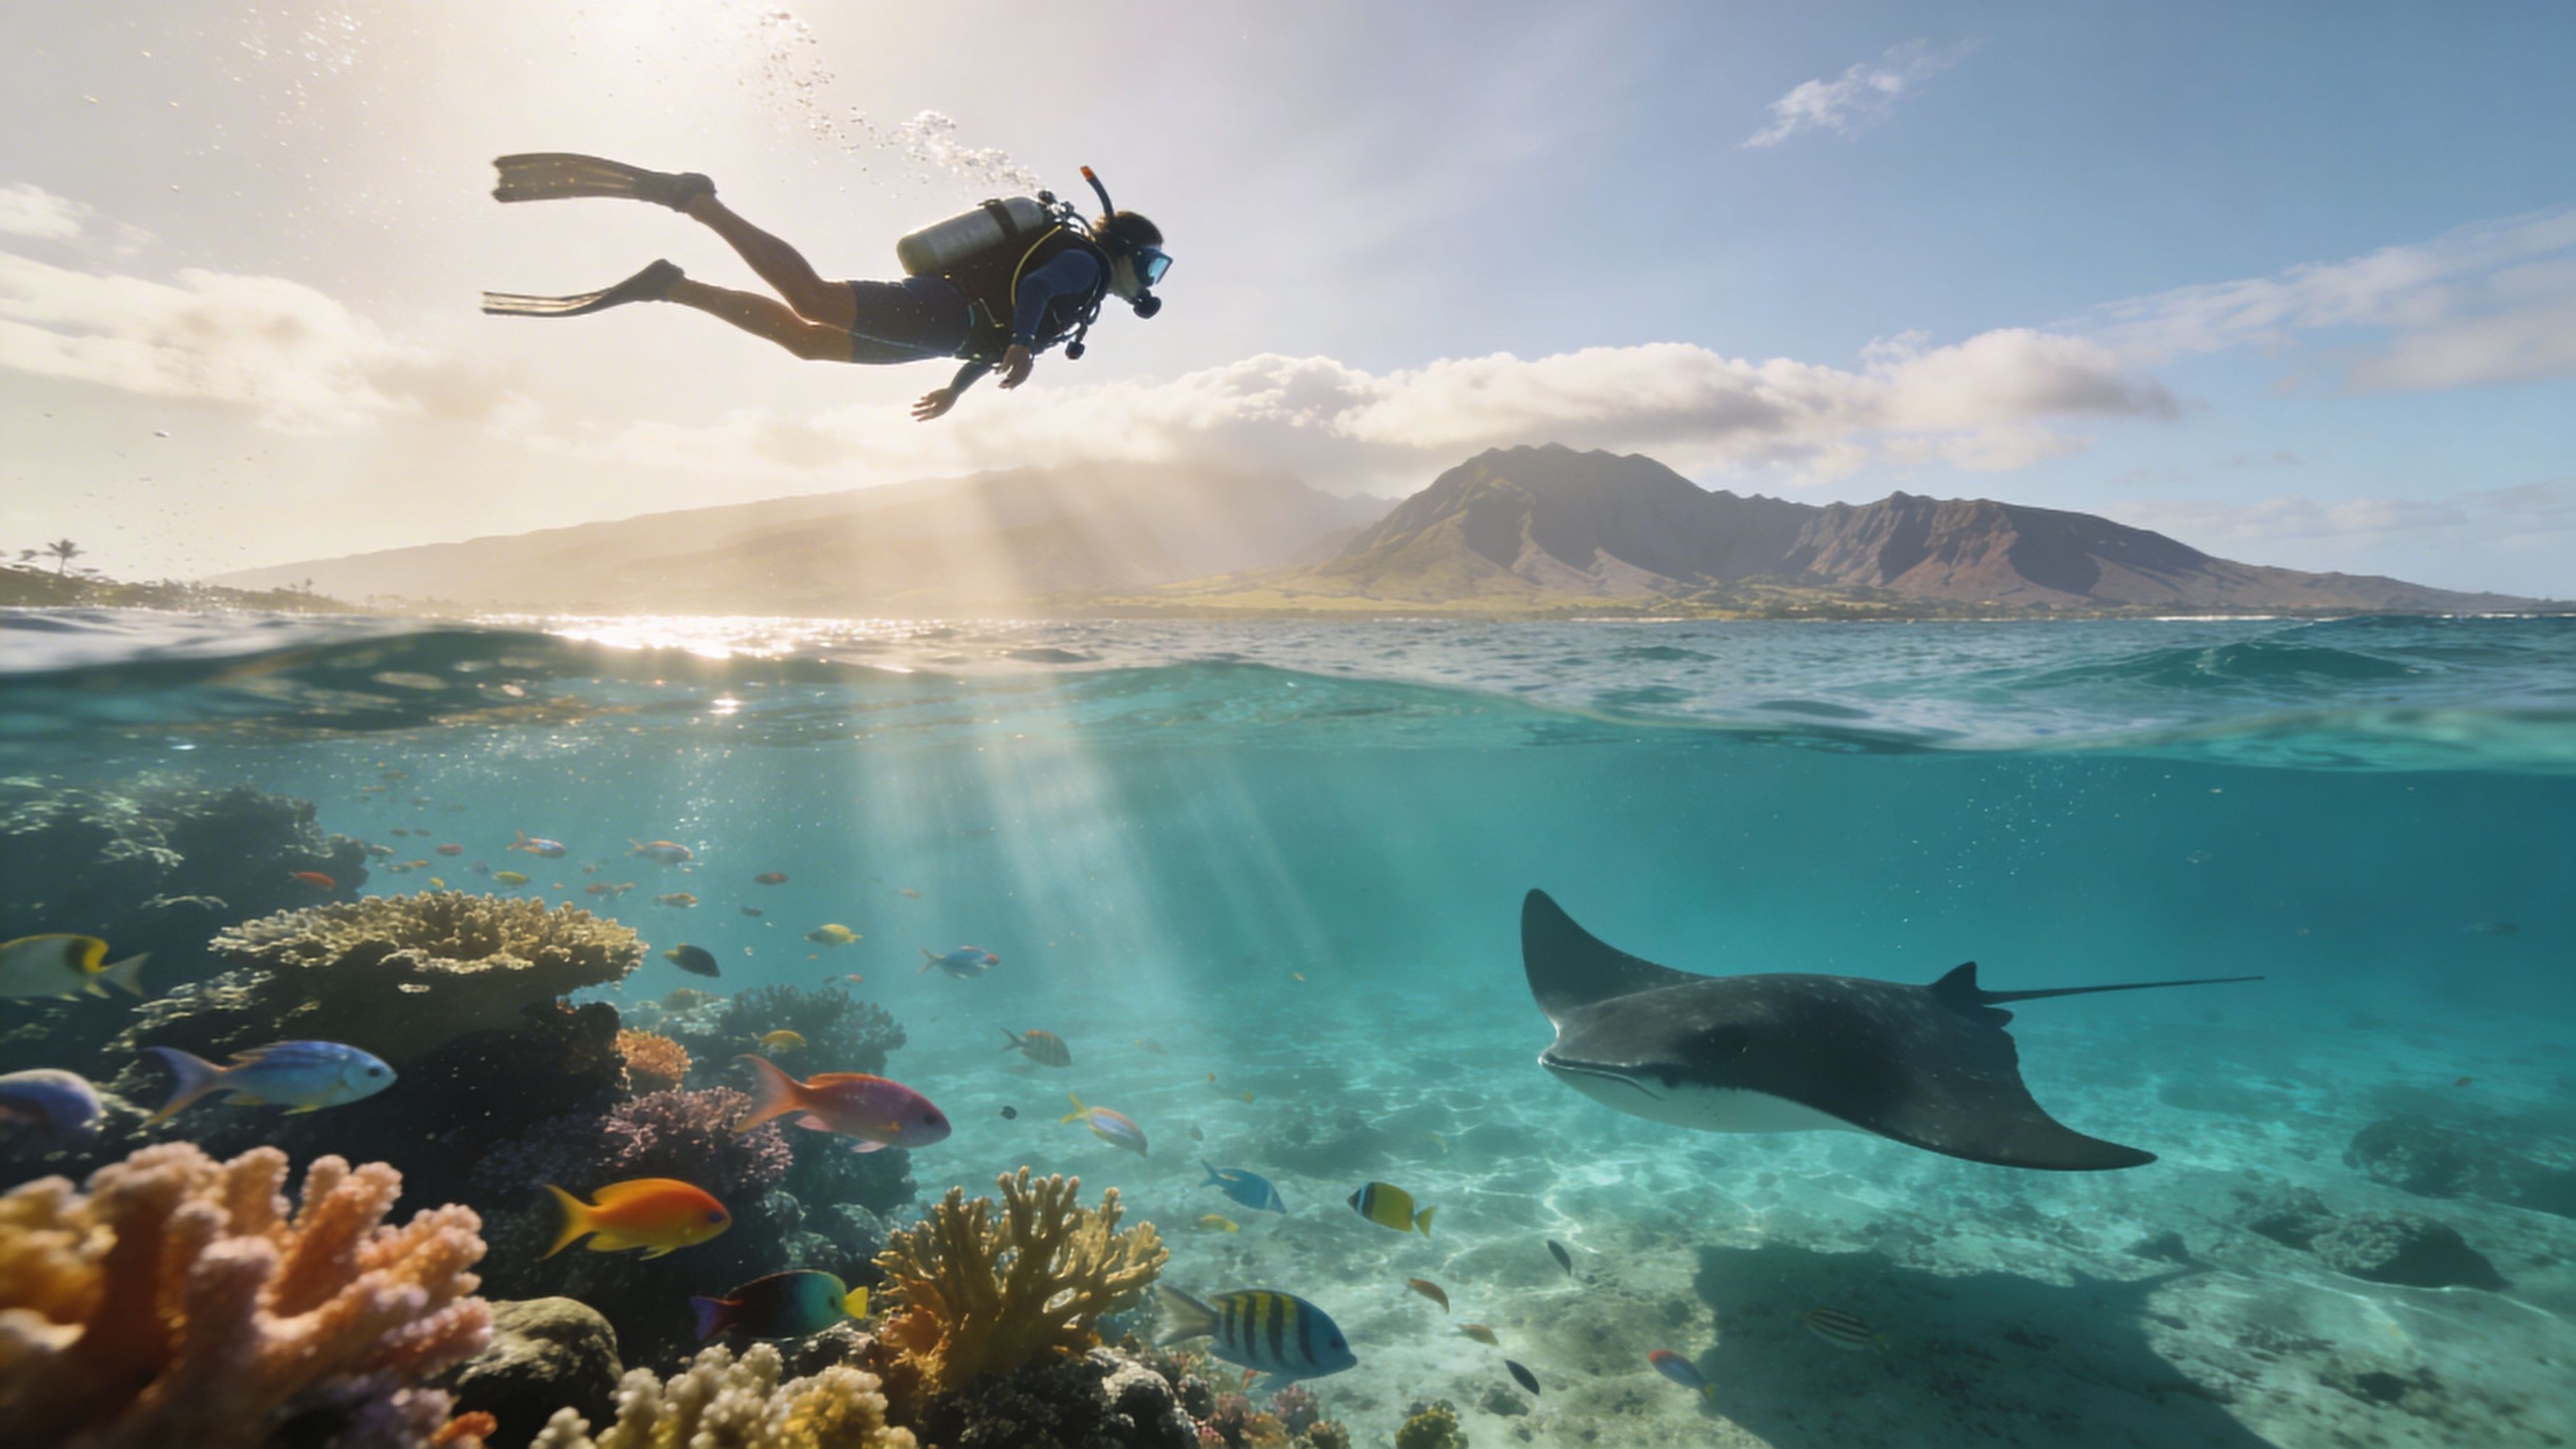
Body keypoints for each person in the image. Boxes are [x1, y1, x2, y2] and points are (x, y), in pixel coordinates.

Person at [481, 155, 1169, 421]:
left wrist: (956, 392)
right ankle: (695, 200)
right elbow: (1033, 292)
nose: (1151, 282)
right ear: (1129, 255)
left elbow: (997, 339)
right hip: (942, 311)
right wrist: (1021, 341)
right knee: (809, 300)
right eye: (1155, 267)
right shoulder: (1082, 264)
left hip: (942, 337)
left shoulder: (1082, 294)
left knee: (807, 343)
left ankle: (672, 286)